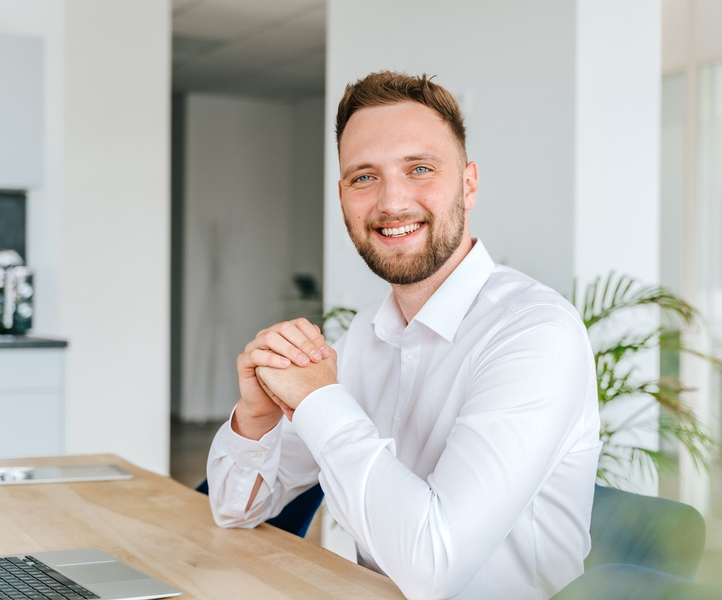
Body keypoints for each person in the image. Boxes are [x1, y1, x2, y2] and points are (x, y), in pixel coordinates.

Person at [207, 71, 601, 600]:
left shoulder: (535, 335)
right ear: (343, 195)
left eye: (420, 168)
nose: (392, 202)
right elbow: (235, 509)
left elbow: (433, 567)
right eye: (363, 177)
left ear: (469, 183)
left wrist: (322, 400)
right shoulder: (364, 337)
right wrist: (257, 419)